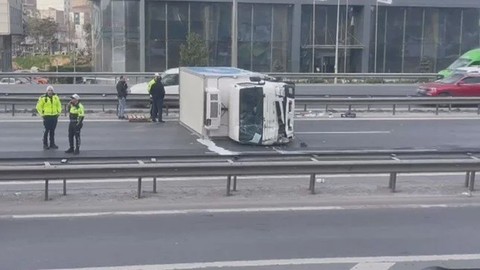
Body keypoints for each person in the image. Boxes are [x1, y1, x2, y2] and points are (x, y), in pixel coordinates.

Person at [36, 85, 62, 150]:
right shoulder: (43, 98)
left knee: (52, 131)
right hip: (47, 116)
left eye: (51, 90)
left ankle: (52, 144)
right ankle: (45, 144)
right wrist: (42, 114)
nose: (50, 92)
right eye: (49, 90)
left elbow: (59, 105)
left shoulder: (56, 97)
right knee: (46, 131)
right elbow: (38, 107)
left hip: (54, 116)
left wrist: (58, 113)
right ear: (46, 91)